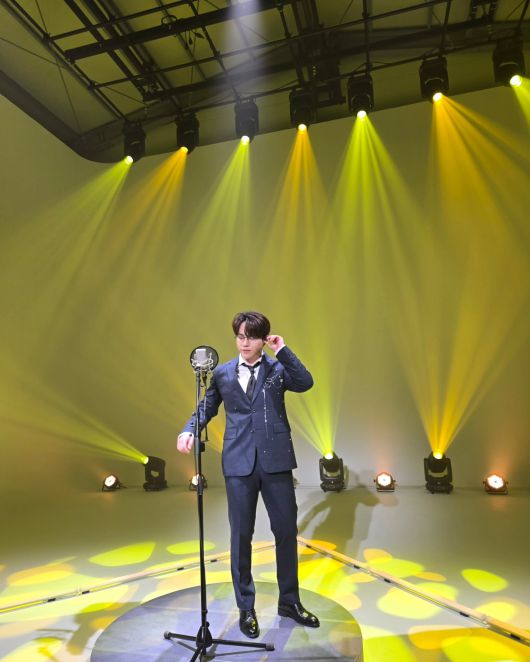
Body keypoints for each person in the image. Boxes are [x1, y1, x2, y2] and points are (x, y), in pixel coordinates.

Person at [177, 311, 320, 639]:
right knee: (241, 536)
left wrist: (282, 350)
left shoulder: (277, 369)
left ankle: (289, 602)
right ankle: (246, 607)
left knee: (286, 531)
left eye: (251, 337)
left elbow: (305, 382)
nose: (244, 343)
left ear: (263, 339)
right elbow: (207, 407)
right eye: (240, 336)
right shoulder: (223, 373)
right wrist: (189, 429)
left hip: (276, 462)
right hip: (238, 463)